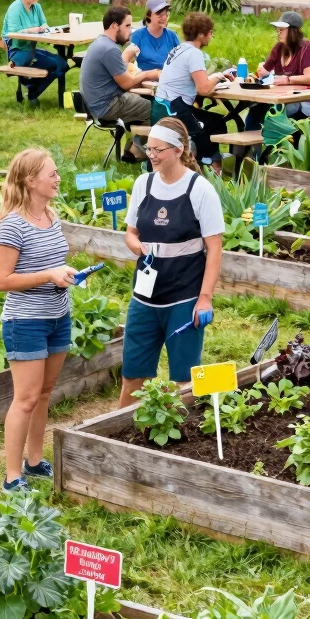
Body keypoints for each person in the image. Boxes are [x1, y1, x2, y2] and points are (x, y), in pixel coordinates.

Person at [118, 117, 224, 407]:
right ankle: (122, 437)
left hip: (184, 297)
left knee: (184, 381)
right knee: (132, 376)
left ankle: (185, 440)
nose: (151, 155)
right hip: (145, 297)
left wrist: (204, 300)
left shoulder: (200, 190)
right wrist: (136, 246)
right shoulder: (144, 183)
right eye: (148, 148)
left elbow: (214, 249)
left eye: (158, 150)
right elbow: (131, 232)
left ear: (178, 150)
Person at [0, 148, 77, 494]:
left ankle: (33, 460)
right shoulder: (12, 225)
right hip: (25, 322)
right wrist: (49, 276)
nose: (58, 179)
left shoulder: (50, 216)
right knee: (25, 398)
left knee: (43, 393)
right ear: (31, 181)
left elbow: (52, 266)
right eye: (52, 174)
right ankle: (12, 477)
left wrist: (67, 275)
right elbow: (2, 280)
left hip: (58, 316)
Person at [155, 12, 235, 165]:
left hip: (163, 105)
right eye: (210, 32)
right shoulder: (194, 54)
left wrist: (216, 78)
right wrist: (219, 76)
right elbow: (203, 89)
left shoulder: (178, 50)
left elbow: (198, 83)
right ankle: (208, 164)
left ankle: (212, 162)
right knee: (210, 126)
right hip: (174, 109)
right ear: (200, 35)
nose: (211, 35)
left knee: (216, 121)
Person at [79, 5, 156, 163]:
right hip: (107, 106)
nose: (130, 30)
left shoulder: (100, 43)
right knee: (158, 110)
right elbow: (127, 83)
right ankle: (138, 150)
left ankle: (133, 150)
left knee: (147, 104)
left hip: (95, 104)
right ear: (115, 25)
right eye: (127, 25)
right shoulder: (109, 49)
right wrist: (149, 73)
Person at [245, 10, 310, 131]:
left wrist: (287, 79)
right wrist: (261, 72)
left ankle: (275, 146)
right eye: (278, 30)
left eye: (281, 30)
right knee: (255, 109)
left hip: (302, 101)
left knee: (275, 112)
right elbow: (265, 70)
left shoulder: (307, 48)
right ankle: (250, 148)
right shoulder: (279, 48)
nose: (278, 33)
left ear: (292, 31)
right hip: (280, 98)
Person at [1, 0, 70, 107]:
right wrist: (31, 30)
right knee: (54, 64)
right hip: (18, 52)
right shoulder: (15, 8)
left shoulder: (36, 7)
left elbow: (43, 23)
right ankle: (32, 90)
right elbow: (12, 33)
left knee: (63, 64)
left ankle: (33, 88)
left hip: (31, 50)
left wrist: (44, 27)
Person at [122, 0, 179, 79]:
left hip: (168, 79)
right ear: (148, 15)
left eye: (166, 13)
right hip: (144, 80)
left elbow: (180, 60)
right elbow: (125, 62)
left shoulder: (172, 35)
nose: (164, 17)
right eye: (159, 14)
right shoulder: (138, 36)